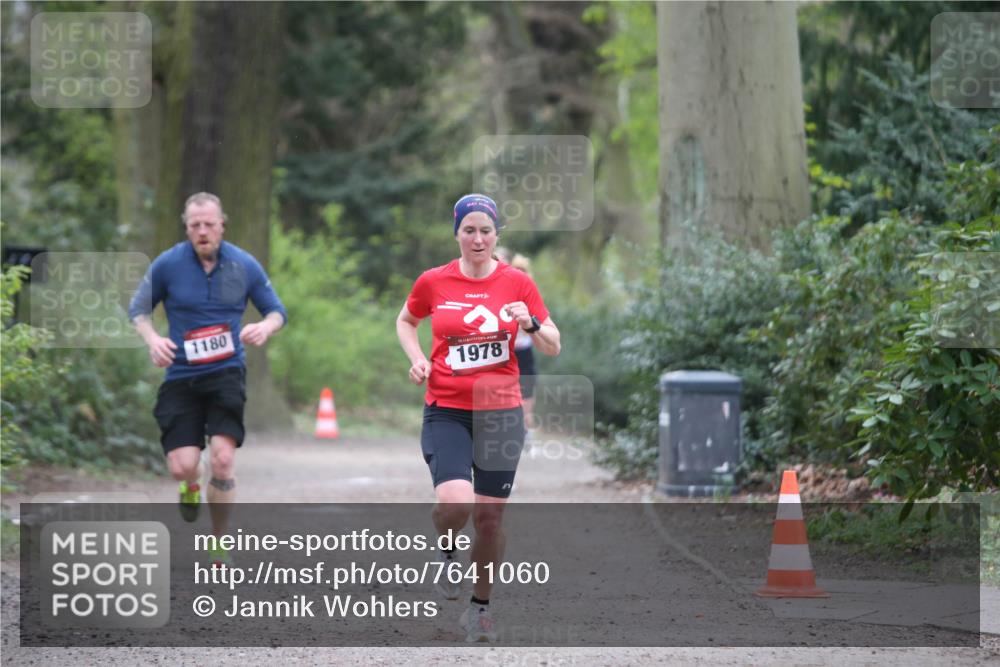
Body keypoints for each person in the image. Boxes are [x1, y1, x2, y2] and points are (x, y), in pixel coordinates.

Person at [396, 193, 560, 642]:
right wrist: (417, 359)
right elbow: (406, 321)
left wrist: (529, 323)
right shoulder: (433, 281)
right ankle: (447, 552)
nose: (477, 238)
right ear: (457, 234)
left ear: (496, 235)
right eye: (469, 229)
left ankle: (480, 608)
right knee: (454, 504)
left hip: (501, 414)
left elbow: (552, 342)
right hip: (446, 409)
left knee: (488, 521)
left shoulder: (518, 284)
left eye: (486, 230)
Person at [129, 192, 287, 565]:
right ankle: (190, 484)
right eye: (194, 225)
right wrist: (153, 339)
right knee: (183, 464)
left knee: (222, 459)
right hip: (181, 376)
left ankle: (218, 542)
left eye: (209, 224)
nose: (202, 231)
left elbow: (277, 311)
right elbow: (138, 309)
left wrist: (265, 327)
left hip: (226, 372)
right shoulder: (168, 264)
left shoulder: (243, 265)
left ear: (222, 225)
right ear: (187, 228)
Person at [509, 253, 539, 437]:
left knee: (528, 387)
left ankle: (527, 426)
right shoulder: (506, 290)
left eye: (523, 272)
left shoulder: (530, 292)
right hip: (508, 351)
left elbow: (538, 322)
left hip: (525, 350)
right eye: (517, 271)